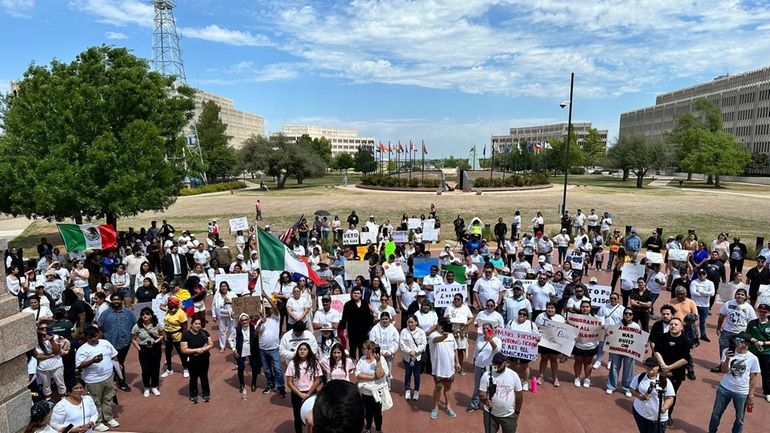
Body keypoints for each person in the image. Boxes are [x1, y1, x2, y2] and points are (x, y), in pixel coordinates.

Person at [708, 332, 761, 433]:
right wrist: (727, 358)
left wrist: (751, 396)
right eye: (737, 339)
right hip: (724, 388)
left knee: (739, 418)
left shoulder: (753, 359)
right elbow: (724, 371)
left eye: (742, 340)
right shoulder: (727, 352)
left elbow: (753, 378)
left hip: (741, 392)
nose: (738, 342)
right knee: (716, 413)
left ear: (748, 344)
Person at [75, 326, 119, 431]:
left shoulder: (105, 343)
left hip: (108, 377)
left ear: (98, 334)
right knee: (96, 402)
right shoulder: (82, 350)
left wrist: (117, 370)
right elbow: (79, 365)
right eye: (90, 337)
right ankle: (98, 422)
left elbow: (114, 356)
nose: (93, 339)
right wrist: (92, 361)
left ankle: (108, 417)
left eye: (94, 336)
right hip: (93, 381)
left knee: (108, 399)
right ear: (86, 338)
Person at [652, 317, 691, 426]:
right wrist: (663, 366)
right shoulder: (663, 337)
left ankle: (667, 414)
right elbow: (656, 351)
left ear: (681, 327)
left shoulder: (686, 341)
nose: (673, 326)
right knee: (658, 391)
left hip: (676, 373)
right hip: (662, 370)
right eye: (671, 324)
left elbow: (685, 359)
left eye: (676, 324)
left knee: (671, 394)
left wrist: (670, 368)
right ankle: (655, 411)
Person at [97, 293, 136, 391]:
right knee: (112, 363)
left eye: (118, 299)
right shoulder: (105, 314)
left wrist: (133, 339)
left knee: (120, 362)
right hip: (109, 343)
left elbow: (135, 327)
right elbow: (100, 328)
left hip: (124, 343)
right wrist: (99, 342)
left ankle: (121, 382)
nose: (116, 301)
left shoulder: (129, 313)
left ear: (122, 300)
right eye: (114, 300)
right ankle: (117, 381)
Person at [712, 288, 756, 373]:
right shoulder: (728, 304)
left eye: (742, 294)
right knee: (723, 349)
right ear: (735, 295)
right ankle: (722, 365)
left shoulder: (749, 308)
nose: (740, 296)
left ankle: (735, 366)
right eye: (738, 294)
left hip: (740, 333)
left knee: (739, 350)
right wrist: (718, 327)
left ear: (745, 297)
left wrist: (750, 334)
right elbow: (722, 315)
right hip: (727, 331)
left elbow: (752, 321)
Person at [479, 352, 524, 433]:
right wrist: (485, 401)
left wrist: (517, 412)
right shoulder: (486, 374)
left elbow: (519, 395)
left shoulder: (513, 375)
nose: (498, 366)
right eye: (495, 364)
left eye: (500, 364)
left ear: (505, 362)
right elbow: (481, 393)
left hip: (508, 415)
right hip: (490, 414)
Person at [630, 357, 676, 433]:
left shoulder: (663, 380)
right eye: (648, 366)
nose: (650, 368)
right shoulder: (641, 376)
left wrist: (663, 408)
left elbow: (670, 398)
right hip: (640, 413)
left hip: (657, 418)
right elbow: (632, 389)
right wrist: (639, 396)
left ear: (658, 367)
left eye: (652, 366)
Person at [286, 342, 322, 433]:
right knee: (297, 417)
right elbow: (289, 382)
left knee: (313, 416)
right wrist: (300, 394)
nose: (302, 351)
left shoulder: (314, 363)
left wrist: (308, 393)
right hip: (297, 394)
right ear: (297, 351)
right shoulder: (292, 363)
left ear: (308, 351)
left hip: (311, 393)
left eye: (305, 349)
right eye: (300, 349)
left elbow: (317, 380)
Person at [429, 318, 460, 420]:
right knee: (438, 388)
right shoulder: (433, 335)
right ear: (439, 325)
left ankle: (448, 406)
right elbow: (436, 340)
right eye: (442, 325)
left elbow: (455, 350)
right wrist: (444, 336)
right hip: (438, 370)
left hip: (450, 369)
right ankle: (435, 408)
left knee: (448, 389)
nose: (443, 327)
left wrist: (457, 362)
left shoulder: (451, 336)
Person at [355, 340, 390, 433]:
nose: (362, 350)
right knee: (367, 412)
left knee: (377, 412)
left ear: (370, 350)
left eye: (364, 349)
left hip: (377, 392)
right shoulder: (362, 359)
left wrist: (378, 362)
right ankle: (368, 428)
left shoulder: (381, 360)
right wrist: (371, 377)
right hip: (365, 392)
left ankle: (378, 430)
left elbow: (380, 375)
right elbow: (357, 374)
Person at [606, 307, 640, 397]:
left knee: (629, 369)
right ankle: (611, 386)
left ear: (633, 316)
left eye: (630, 314)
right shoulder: (618, 324)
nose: (627, 315)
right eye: (626, 313)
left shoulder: (636, 326)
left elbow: (638, 339)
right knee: (614, 367)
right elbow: (612, 334)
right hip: (617, 350)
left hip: (629, 351)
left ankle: (627, 388)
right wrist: (609, 334)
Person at [131, 307, 163, 398]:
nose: (145, 316)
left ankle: (154, 386)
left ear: (151, 315)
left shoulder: (156, 325)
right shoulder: (137, 326)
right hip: (144, 348)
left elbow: (162, 335)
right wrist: (139, 349)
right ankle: (146, 387)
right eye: (143, 314)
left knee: (155, 368)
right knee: (145, 369)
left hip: (155, 348)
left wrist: (157, 341)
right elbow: (133, 339)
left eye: (147, 314)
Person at [258, 295, 287, 398]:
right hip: (262, 349)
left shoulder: (276, 318)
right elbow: (256, 333)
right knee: (266, 370)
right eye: (265, 310)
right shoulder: (260, 320)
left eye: (268, 309)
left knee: (278, 369)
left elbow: (275, 308)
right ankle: (270, 384)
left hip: (274, 349)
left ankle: (281, 388)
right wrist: (260, 324)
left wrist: (266, 296)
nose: (267, 311)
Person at [180, 316, 214, 403]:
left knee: (204, 376)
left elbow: (210, 344)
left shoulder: (204, 333)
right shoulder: (185, 335)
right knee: (193, 377)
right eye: (196, 324)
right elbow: (183, 350)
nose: (198, 325)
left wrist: (203, 349)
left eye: (199, 324)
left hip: (204, 359)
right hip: (192, 360)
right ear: (191, 325)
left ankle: (206, 394)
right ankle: (193, 394)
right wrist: (196, 350)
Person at [572, 301, 603, 388]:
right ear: (580, 308)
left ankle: (587, 378)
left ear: (590, 308)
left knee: (588, 362)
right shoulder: (575, 318)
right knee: (578, 362)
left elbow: (602, 330)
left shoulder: (596, 318)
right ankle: (577, 377)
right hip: (578, 345)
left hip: (591, 345)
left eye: (587, 307)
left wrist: (604, 329)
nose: (585, 308)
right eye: (583, 307)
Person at [230, 312, 262, 393]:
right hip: (240, 350)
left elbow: (257, 333)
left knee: (254, 367)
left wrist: (261, 320)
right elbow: (230, 339)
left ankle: (254, 383)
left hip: (252, 350)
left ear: (249, 320)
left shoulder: (252, 327)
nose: (245, 322)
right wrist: (233, 349)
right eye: (243, 320)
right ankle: (242, 384)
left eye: (246, 320)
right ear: (240, 321)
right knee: (241, 368)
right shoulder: (236, 329)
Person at [34, 321, 67, 399]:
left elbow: (56, 352)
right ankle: (48, 401)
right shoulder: (35, 340)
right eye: (42, 328)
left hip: (56, 365)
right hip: (43, 368)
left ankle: (63, 399)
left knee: (60, 384)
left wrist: (51, 340)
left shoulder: (55, 337)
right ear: (38, 330)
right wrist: (50, 355)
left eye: (46, 328)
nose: (44, 329)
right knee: (46, 386)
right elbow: (37, 356)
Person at [535, 302, 565, 386]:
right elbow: (536, 328)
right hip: (543, 342)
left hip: (554, 343)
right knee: (544, 359)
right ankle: (541, 376)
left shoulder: (560, 318)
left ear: (555, 309)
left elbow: (564, 331)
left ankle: (555, 378)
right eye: (548, 307)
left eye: (552, 308)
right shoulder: (540, 316)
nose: (550, 309)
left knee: (553, 360)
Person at [339, 287, 373, 359]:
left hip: (363, 331)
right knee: (353, 350)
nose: (356, 295)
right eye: (354, 293)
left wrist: (369, 327)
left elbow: (368, 316)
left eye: (358, 293)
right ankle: (353, 365)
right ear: (351, 294)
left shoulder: (365, 303)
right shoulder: (348, 305)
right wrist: (344, 329)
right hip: (352, 331)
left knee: (363, 349)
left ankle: (362, 364)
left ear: (361, 295)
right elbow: (344, 318)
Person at [400, 314, 427, 400]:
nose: (410, 324)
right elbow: (402, 344)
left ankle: (416, 390)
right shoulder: (404, 331)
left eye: (412, 322)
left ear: (416, 322)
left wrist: (416, 351)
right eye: (409, 322)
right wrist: (409, 351)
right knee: (407, 374)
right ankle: (407, 390)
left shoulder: (421, 332)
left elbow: (423, 344)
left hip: (417, 358)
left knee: (416, 375)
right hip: (407, 357)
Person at [368, 311, 399, 388]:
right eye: (383, 319)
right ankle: (377, 385)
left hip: (389, 354)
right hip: (378, 355)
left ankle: (388, 387)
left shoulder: (393, 329)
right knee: (377, 370)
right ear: (380, 320)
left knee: (388, 371)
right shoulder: (375, 329)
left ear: (389, 319)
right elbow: (372, 342)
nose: (385, 321)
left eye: (386, 319)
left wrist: (389, 351)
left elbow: (396, 342)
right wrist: (379, 352)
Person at [746, 303, 770, 402]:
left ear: (768, 313)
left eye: (764, 312)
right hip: (752, 352)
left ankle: (767, 392)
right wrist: (754, 341)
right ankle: (746, 389)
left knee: (767, 373)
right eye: (760, 311)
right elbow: (747, 335)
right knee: (748, 371)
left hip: (766, 353)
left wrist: (763, 343)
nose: (762, 314)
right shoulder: (752, 323)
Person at [161, 297, 188, 378]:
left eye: (170, 303)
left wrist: (183, 338)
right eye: (168, 303)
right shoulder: (168, 312)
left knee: (181, 353)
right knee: (168, 353)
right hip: (168, 335)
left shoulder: (181, 313)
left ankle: (185, 368)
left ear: (174, 305)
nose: (168, 305)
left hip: (177, 336)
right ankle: (169, 369)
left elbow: (185, 327)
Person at [691, 269, 716, 342]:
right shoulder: (694, 282)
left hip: (705, 305)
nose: (702, 276)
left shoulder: (710, 283)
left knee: (703, 321)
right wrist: (706, 293)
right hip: (695, 304)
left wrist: (700, 291)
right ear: (698, 274)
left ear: (706, 274)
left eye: (703, 274)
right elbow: (693, 293)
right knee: (693, 321)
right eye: (700, 274)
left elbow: (712, 293)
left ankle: (703, 334)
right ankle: (693, 335)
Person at [212, 281, 235, 351]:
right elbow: (213, 305)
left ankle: (232, 345)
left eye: (225, 286)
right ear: (220, 287)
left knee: (232, 330)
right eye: (222, 286)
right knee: (222, 331)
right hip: (221, 316)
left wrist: (230, 302)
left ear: (227, 287)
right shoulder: (217, 295)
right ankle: (222, 346)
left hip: (231, 315)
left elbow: (237, 303)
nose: (224, 288)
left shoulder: (232, 294)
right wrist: (214, 315)